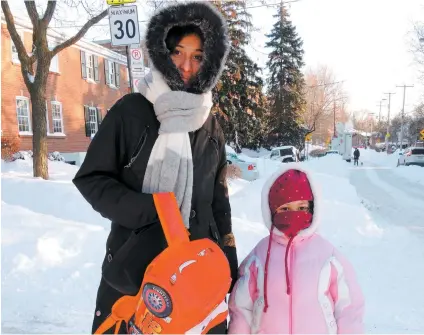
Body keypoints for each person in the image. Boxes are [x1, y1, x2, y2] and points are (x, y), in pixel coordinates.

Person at [72, 2, 238, 333]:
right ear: (163, 53)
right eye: (177, 52)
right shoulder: (132, 111)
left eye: (197, 56)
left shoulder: (212, 125)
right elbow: (91, 178)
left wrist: (228, 257)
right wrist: (153, 210)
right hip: (137, 264)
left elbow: (218, 198)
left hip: (195, 273)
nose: (186, 65)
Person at [228, 165, 365, 334]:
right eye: (285, 209)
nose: (294, 214)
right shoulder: (259, 257)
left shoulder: (328, 256)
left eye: (301, 208)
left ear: (312, 209)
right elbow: (241, 309)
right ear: (272, 210)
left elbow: (349, 309)